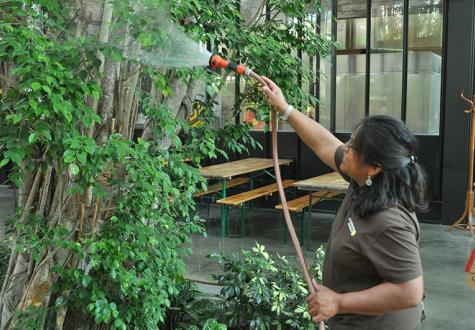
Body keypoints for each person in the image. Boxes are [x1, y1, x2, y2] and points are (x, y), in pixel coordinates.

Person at [262, 76, 426, 330]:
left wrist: (339, 302)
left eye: (352, 146)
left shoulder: (389, 220)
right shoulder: (364, 180)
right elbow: (326, 144)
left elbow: (410, 291)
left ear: (374, 167)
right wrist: (286, 109)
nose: (345, 147)